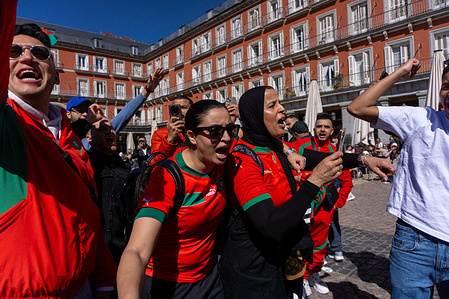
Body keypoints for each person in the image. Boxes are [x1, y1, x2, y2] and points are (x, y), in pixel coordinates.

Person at [1, 8, 116, 297]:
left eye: (40, 53)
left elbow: (88, 212)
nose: (28, 57)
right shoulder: (5, 123)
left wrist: (104, 280)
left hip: (83, 287)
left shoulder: (70, 137)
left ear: (56, 77)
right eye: (14, 51)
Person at [221, 86, 346, 298]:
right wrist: (314, 181)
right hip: (253, 270)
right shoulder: (243, 160)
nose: (282, 109)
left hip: (279, 259)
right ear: (254, 117)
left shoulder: (277, 147)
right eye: (272, 105)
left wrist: (364, 160)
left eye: (280, 103)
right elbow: (271, 226)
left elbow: (313, 158)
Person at [347, 58, 449, 298]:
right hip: (414, 239)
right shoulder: (422, 119)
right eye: (446, 85)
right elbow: (357, 107)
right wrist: (399, 73)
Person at [117, 100, 238, 298]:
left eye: (230, 129)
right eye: (215, 131)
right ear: (191, 136)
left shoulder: (221, 162)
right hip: (169, 286)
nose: (226, 138)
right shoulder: (166, 178)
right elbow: (136, 251)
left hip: (210, 279)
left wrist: (289, 151)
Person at [293, 112, 353, 296]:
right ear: (314, 128)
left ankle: (313, 274)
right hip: (302, 204)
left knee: (319, 244)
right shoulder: (300, 146)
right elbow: (289, 169)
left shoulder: (336, 151)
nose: (322, 130)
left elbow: (347, 181)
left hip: (325, 207)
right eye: (319, 126)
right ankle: (300, 279)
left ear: (332, 130)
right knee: (299, 241)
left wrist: (338, 203)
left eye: (326, 127)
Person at [86, 117, 134, 265]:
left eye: (112, 128)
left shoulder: (124, 166)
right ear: (89, 138)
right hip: (92, 251)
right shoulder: (85, 164)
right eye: (102, 129)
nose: (110, 132)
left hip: (119, 250)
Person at [150, 95, 193, 164]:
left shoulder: (199, 129)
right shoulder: (159, 133)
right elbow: (154, 162)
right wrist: (170, 139)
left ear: (191, 110)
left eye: (183, 107)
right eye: (176, 108)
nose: (180, 111)